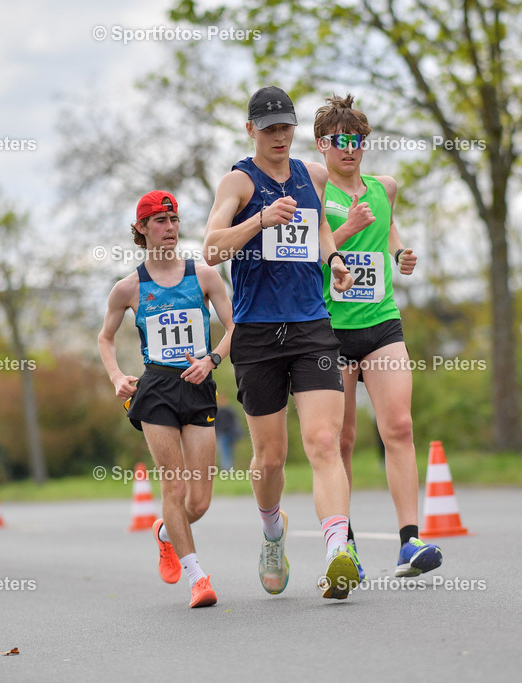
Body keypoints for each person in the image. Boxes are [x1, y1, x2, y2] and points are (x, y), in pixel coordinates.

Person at [202, 85, 360, 600]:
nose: (279, 135)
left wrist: (333, 260)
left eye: (286, 126)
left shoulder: (311, 176)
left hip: (312, 324)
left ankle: (340, 549)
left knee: (323, 441)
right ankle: (273, 532)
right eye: (269, 127)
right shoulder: (238, 182)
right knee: (270, 459)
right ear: (251, 130)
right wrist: (259, 219)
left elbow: (321, 233)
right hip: (257, 335)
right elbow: (211, 247)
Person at [313, 93, 442, 579]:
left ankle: (410, 542)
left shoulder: (383, 188)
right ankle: (343, 548)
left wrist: (403, 253)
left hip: (382, 320)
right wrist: (345, 229)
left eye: (357, 140)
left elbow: (390, 237)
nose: (349, 148)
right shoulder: (314, 191)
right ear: (322, 145)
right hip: (331, 329)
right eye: (339, 140)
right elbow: (310, 255)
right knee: (339, 441)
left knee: (400, 427)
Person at [98, 190, 234, 608]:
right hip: (155, 389)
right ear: (141, 229)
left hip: (198, 385)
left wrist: (212, 360)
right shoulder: (128, 287)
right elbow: (105, 338)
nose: (170, 228)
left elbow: (236, 327)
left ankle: (165, 533)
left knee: (199, 500)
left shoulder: (205, 275)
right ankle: (198, 577)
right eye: (159, 221)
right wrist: (117, 375)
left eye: (173, 219)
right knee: (173, 485)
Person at [214, 392, 241, 471]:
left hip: (230, 435)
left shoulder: (229, 410)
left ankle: (228, 468)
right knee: (225, 451)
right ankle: (227, 468)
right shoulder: (218, 411)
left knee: (229, 452)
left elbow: (235, 423)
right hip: (222, 434)